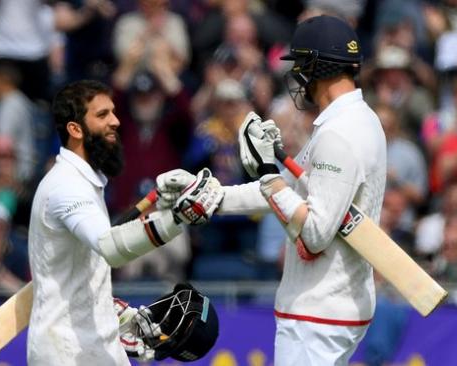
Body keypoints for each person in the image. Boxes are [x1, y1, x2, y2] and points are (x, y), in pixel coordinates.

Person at [157, 15, 386, 365]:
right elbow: (292, 192)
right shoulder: (357, 121)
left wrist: (267, 172)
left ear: (319, 67)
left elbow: (314, 233)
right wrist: (214, 195)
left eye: (302, 67)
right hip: (331, 305)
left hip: (319, 312)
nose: (299, 78)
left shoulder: (340, 135)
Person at [26, 79, 223, 365]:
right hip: (67, 352)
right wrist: (175, 218)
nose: (116, 121)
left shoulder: (86, 181)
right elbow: (110, 248)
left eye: (114, 112)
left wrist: (113, 313)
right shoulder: (65, 186)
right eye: (102, 114)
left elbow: (85, 273)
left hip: (93, 345)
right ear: (75, 129)